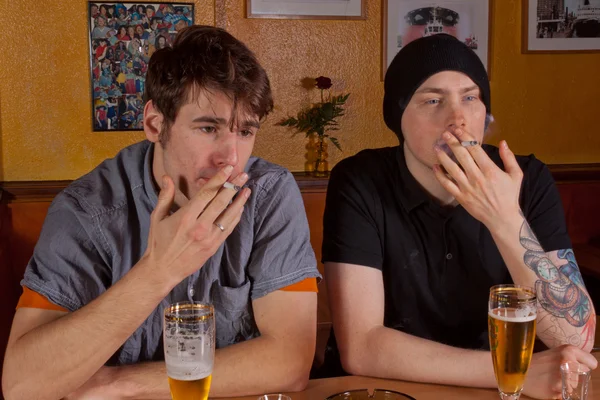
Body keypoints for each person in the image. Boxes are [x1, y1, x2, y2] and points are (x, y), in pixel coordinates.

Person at [2, 25, 320, 400]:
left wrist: (119, 383)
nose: (230, 159)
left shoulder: (268, 195)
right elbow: (22, 385)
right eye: (207, 128)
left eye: (245, 132)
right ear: (155, 123)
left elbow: (291, 360)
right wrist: (158, 271)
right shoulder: (86, 211)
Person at [321, 34, 597, 400]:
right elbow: (362, 346)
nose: (457, 118)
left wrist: (505, 219)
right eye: (432, 100)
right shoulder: (360, 181)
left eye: (470, 98)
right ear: (398, 117)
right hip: (388, 390)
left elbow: (577, 336)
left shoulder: (528, 179)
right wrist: (510, 372)